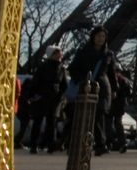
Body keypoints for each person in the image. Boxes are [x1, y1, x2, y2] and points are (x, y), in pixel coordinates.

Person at [68, 26, 114, 155]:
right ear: (93, 37)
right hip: (85, 86)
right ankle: (76, 142)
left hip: (102, 88)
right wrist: (82, 80)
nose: (101, 39)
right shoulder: (82, 52)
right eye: (99, 36)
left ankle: (100, 144)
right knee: (82, 115)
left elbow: (111, 74)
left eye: (103, 37)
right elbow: (73, 69)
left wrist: (114, 90)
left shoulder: (108, 54)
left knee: (98, 115)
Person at [25, 46, 67, 154]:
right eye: (57, 54)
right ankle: (34, 145)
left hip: (54, 98)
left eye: (60, 53)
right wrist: (33, 95)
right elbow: (36, 82)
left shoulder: (61, 69)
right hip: (42, 96)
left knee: (51, 122)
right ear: (51, 55)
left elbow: (64, 85)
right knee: (39, 121)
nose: (59, 55)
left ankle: (50, 145)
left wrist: (61, 95)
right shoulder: (44, 67)